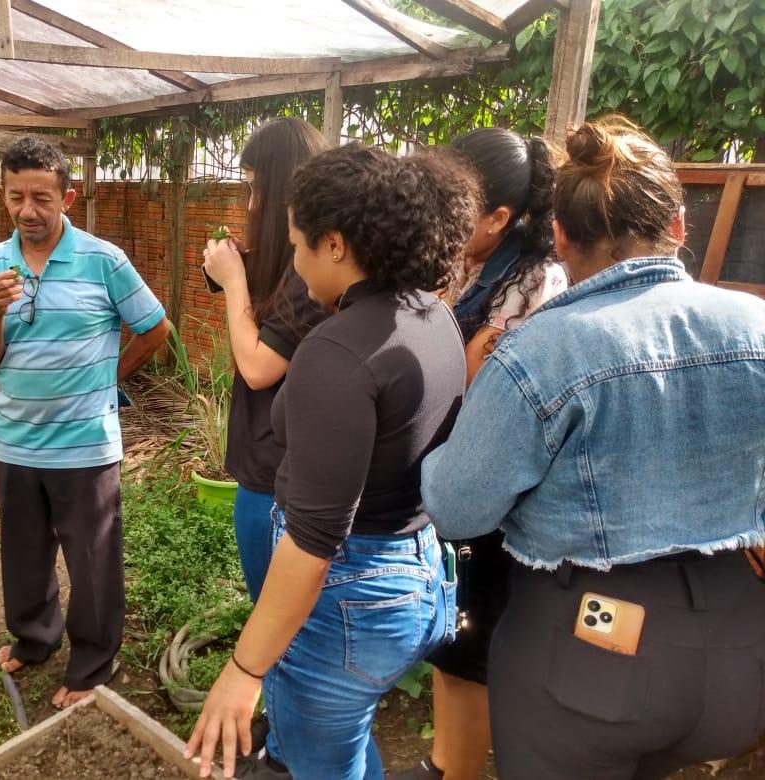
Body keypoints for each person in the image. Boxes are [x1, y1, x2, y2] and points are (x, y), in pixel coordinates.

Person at [421, 117, 765, 780]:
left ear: (559, 236)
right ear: (679, 228)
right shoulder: (755, 326)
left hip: (589, 663)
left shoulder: (540, 352)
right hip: (738, 658)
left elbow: (457, 508)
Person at [184, 143, 479, 780]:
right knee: (342, 744)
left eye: (297, 245)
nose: (293, 261)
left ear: (337, 245)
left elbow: (316, 540)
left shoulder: (337, 353)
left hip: (353, 598)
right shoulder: (433, 317)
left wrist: (244, 670)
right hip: (421, 576)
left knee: (322, 765)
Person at [0, 138, 170, 710]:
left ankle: (93, 664)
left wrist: (111, 380)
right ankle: (34, 639)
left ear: (67, 197)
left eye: (41, 198)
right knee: (24, 552)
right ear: (2, 195)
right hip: (14, 440)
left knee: (92, 560)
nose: (27, 210)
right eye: (15, 197)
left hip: (85, 444)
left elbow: (156, 328)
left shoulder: (103, 260)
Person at [393, 128, 566, 780]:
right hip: (455, 476)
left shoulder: (536, 285)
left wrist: (458, 375)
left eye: (454, 204)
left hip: (497, 499)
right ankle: (449, 760)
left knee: (473, 640)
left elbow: (514, 409)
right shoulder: (471, 261)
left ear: (498, 215)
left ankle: (455, 768)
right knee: (454, 637)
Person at [201, 117, 328, 603]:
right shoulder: (289, 267)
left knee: (280, 623)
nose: (250, 204)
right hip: (267, 467)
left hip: (281, 482)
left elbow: (258, 368)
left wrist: (235, 282)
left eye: (258, 190)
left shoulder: (311, 277)